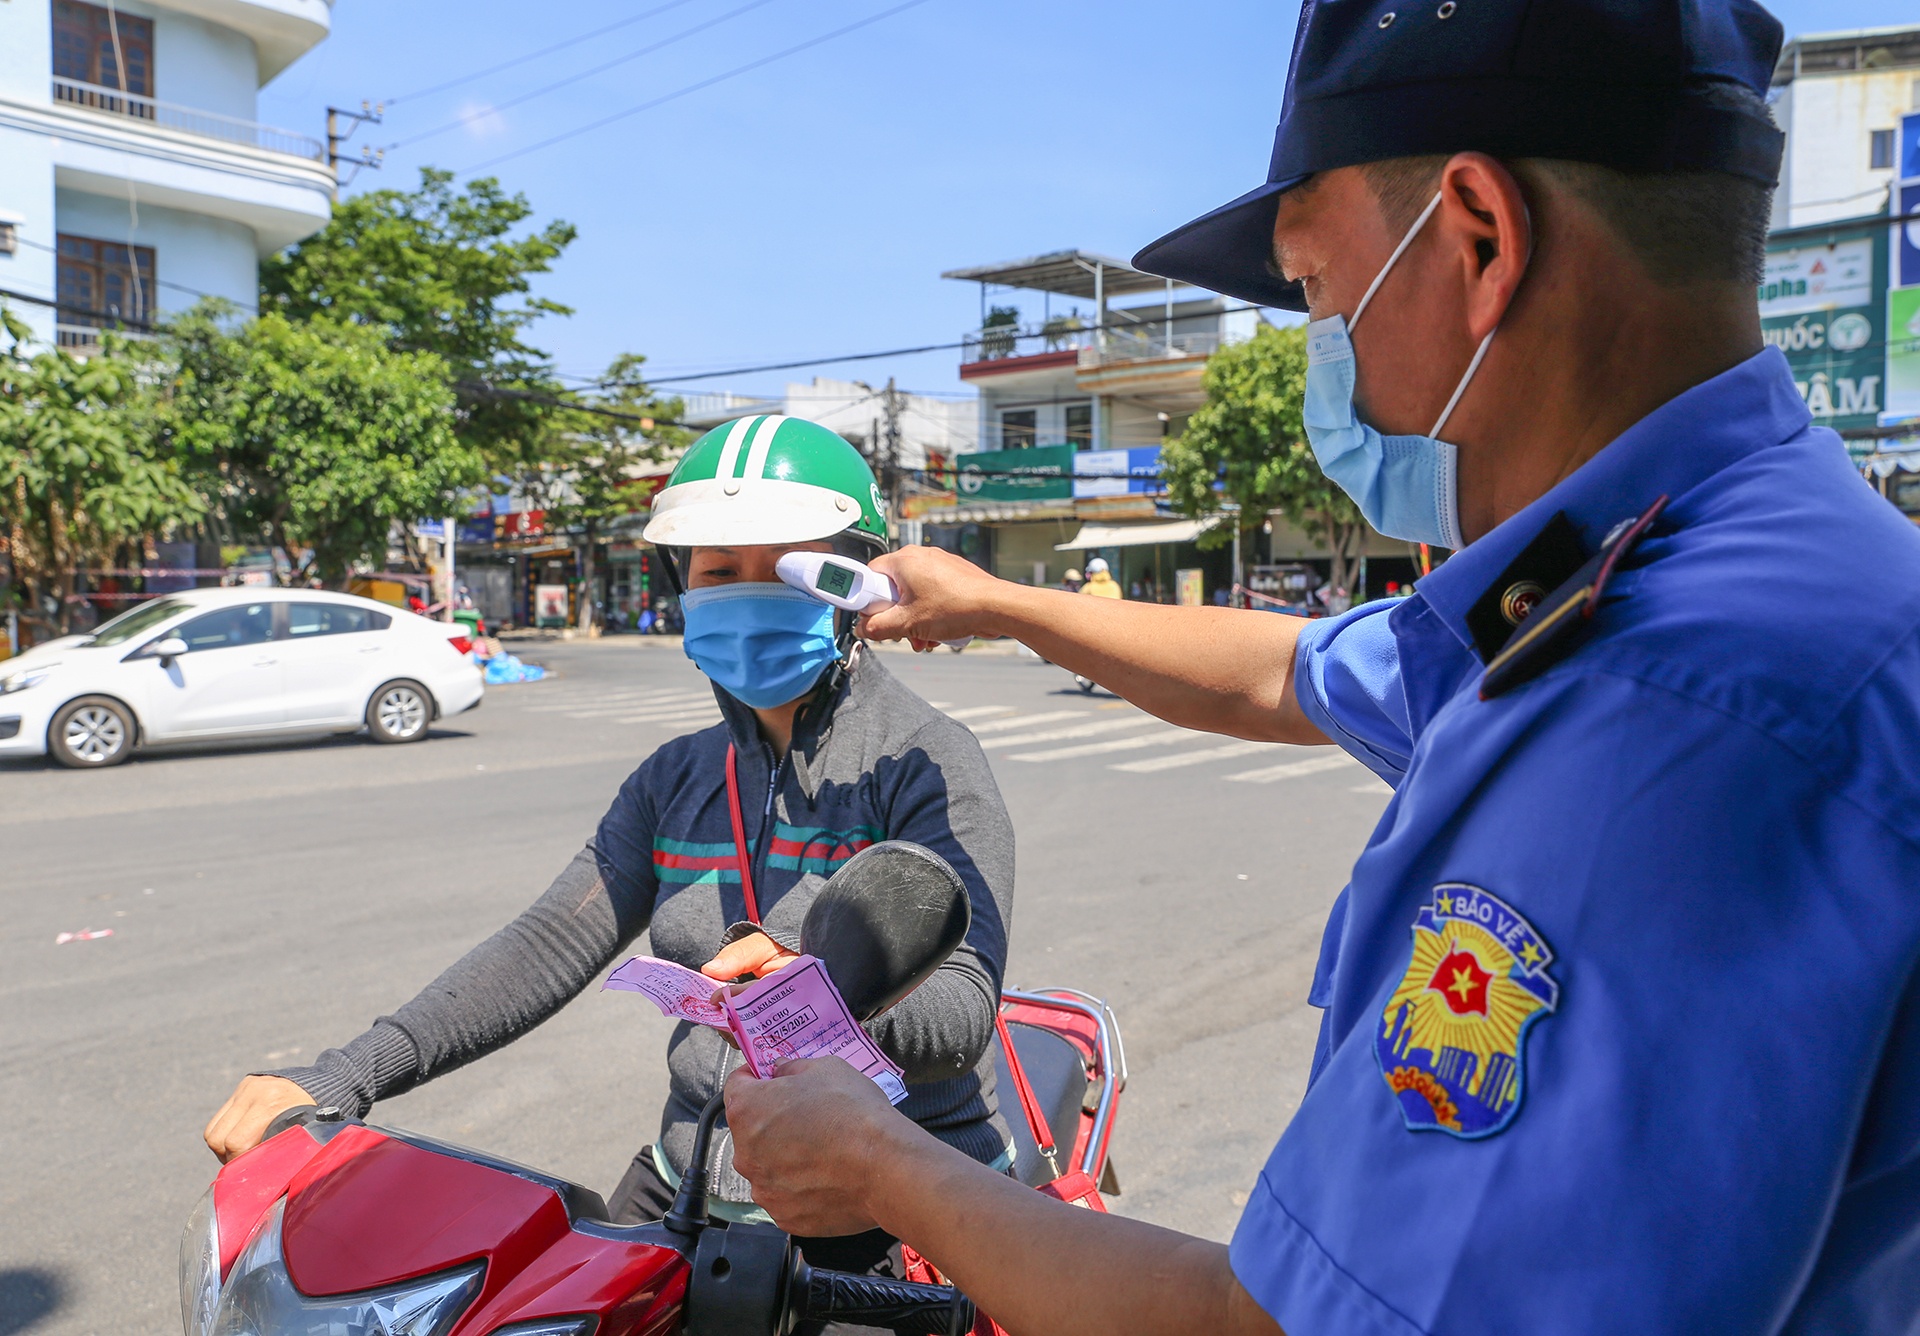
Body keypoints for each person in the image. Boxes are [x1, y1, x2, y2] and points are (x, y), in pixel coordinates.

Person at [722, 4, 1920, 1334]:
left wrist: (882, 1163)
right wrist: (1002, 603)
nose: (1319, 346)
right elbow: (1294, 671)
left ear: (1478, 239)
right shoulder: (1692, 556)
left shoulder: (1662, 716)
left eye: (1313, 288)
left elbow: (1283, 1324)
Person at [203, 417, 1017, 1304]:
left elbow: (960, 1009)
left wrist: (814, 996)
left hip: (892, 1202)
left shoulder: (927, 760)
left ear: (853, 582)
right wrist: (345, 1076)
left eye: (784, 567)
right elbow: (551, 940)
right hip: (696, 1182)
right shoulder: (676, 781)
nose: (747, 594)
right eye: (717, 572)